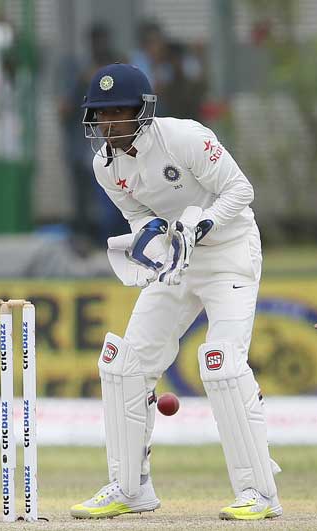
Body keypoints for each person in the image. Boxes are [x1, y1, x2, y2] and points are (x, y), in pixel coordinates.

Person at [69, 63, 282, 521]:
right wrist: (147, 238)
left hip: (228, 251)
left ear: (142, 111)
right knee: (125, 366)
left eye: (117, 112)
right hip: (177, 260)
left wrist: (203, 221)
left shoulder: (184, 137)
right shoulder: (104, 165)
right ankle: (131, 488)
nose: (107, 124)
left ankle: (259, 492)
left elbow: (240, 191)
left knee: (222, 363)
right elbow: (138, 214)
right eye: (99, 114)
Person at [58, 22, 129, 246]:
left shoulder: (119, 71)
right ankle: (91, 239)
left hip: (115, 148)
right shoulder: (79, 73)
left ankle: (114, 239)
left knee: (116, 198)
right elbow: (64, 109)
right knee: (87, 201)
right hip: (87, 149)